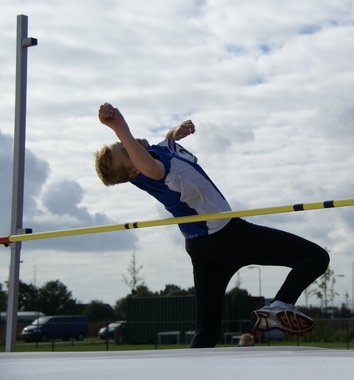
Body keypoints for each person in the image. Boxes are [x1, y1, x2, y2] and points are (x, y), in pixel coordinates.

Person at [95, 103, 329, 348]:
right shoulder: (155, 173)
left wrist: (175, 131)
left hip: (202, 247)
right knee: (316, 256)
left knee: (206, 331)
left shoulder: (158, 154)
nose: (128, 142)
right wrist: (119, 128)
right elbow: (150, 168)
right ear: (133, 170)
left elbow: (163, 144)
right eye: (124, 148)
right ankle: (280, 306)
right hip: (227, 237)